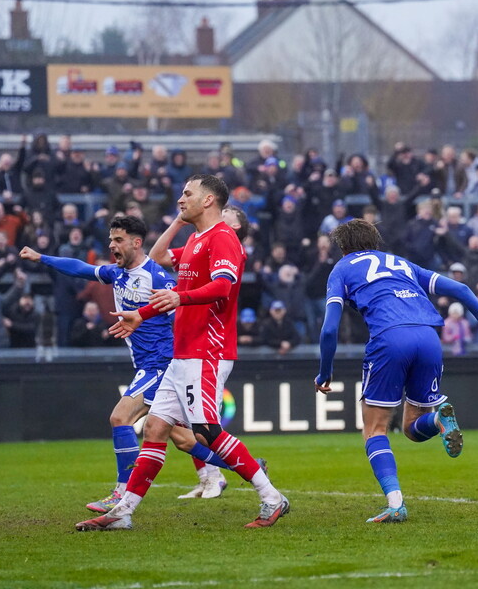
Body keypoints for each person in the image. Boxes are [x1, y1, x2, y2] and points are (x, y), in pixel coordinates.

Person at [76, 175, 287, 531]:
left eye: (187, 193)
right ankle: (123, 512)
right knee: (155, 429)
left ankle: (271, 498)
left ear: (208, 200)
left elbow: (223, 286)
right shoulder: (195, 239)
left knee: (206, 430)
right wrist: (141, 314)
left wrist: (180, 297)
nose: (180, 198)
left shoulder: (223, 238)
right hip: (183, 351)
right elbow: (159, 261)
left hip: (208, 351)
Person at [19, 215, 235, 514]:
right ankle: (247, 467)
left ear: (136, 242)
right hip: (149, 364)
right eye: (110, 240)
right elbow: (81, 269)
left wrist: (189, 358)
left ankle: (121, 494)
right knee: (184, 439)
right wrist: (41, 257)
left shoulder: (157, 277)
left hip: (161, 364)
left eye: (118, 240)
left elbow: (183, 317)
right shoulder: (117, 274)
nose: (112, 246)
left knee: (120, 418)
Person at [314, 219, 478, 523]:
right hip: (429, 338)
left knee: (375, 429)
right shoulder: (401, 263)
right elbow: (460, 288)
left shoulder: (342, 269)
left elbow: (329, 330)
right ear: (375, 242)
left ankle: (395, 504)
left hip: (390, 339)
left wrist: (324, 371)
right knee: (412, 427)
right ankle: (438, 419)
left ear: (343, 248)